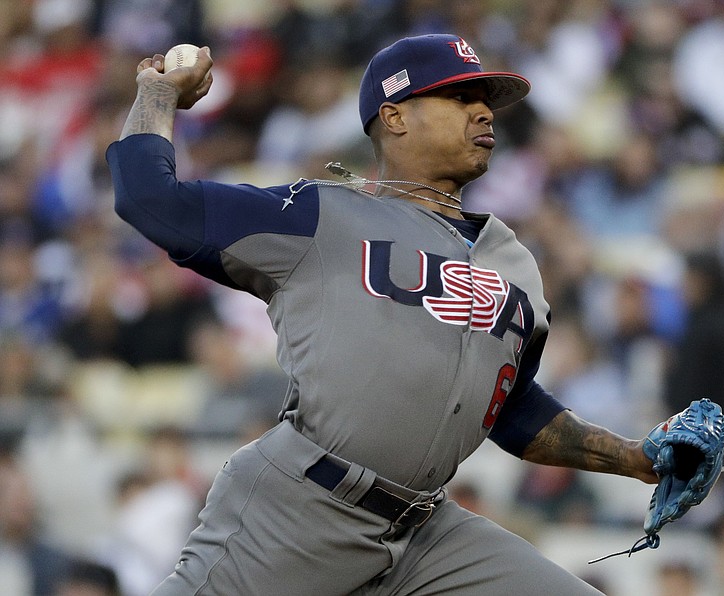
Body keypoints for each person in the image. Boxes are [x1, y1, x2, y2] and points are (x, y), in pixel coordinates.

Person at [107, 33, 662, 595]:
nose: (482, 112)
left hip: (425, 534)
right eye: (458, 97)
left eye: (485, 100)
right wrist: (157, 95)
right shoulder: (320, 215)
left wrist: (635, 458)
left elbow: (511, 409)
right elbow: (149, 199)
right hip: (299, 512)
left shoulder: (513, 261)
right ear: (394, 116)